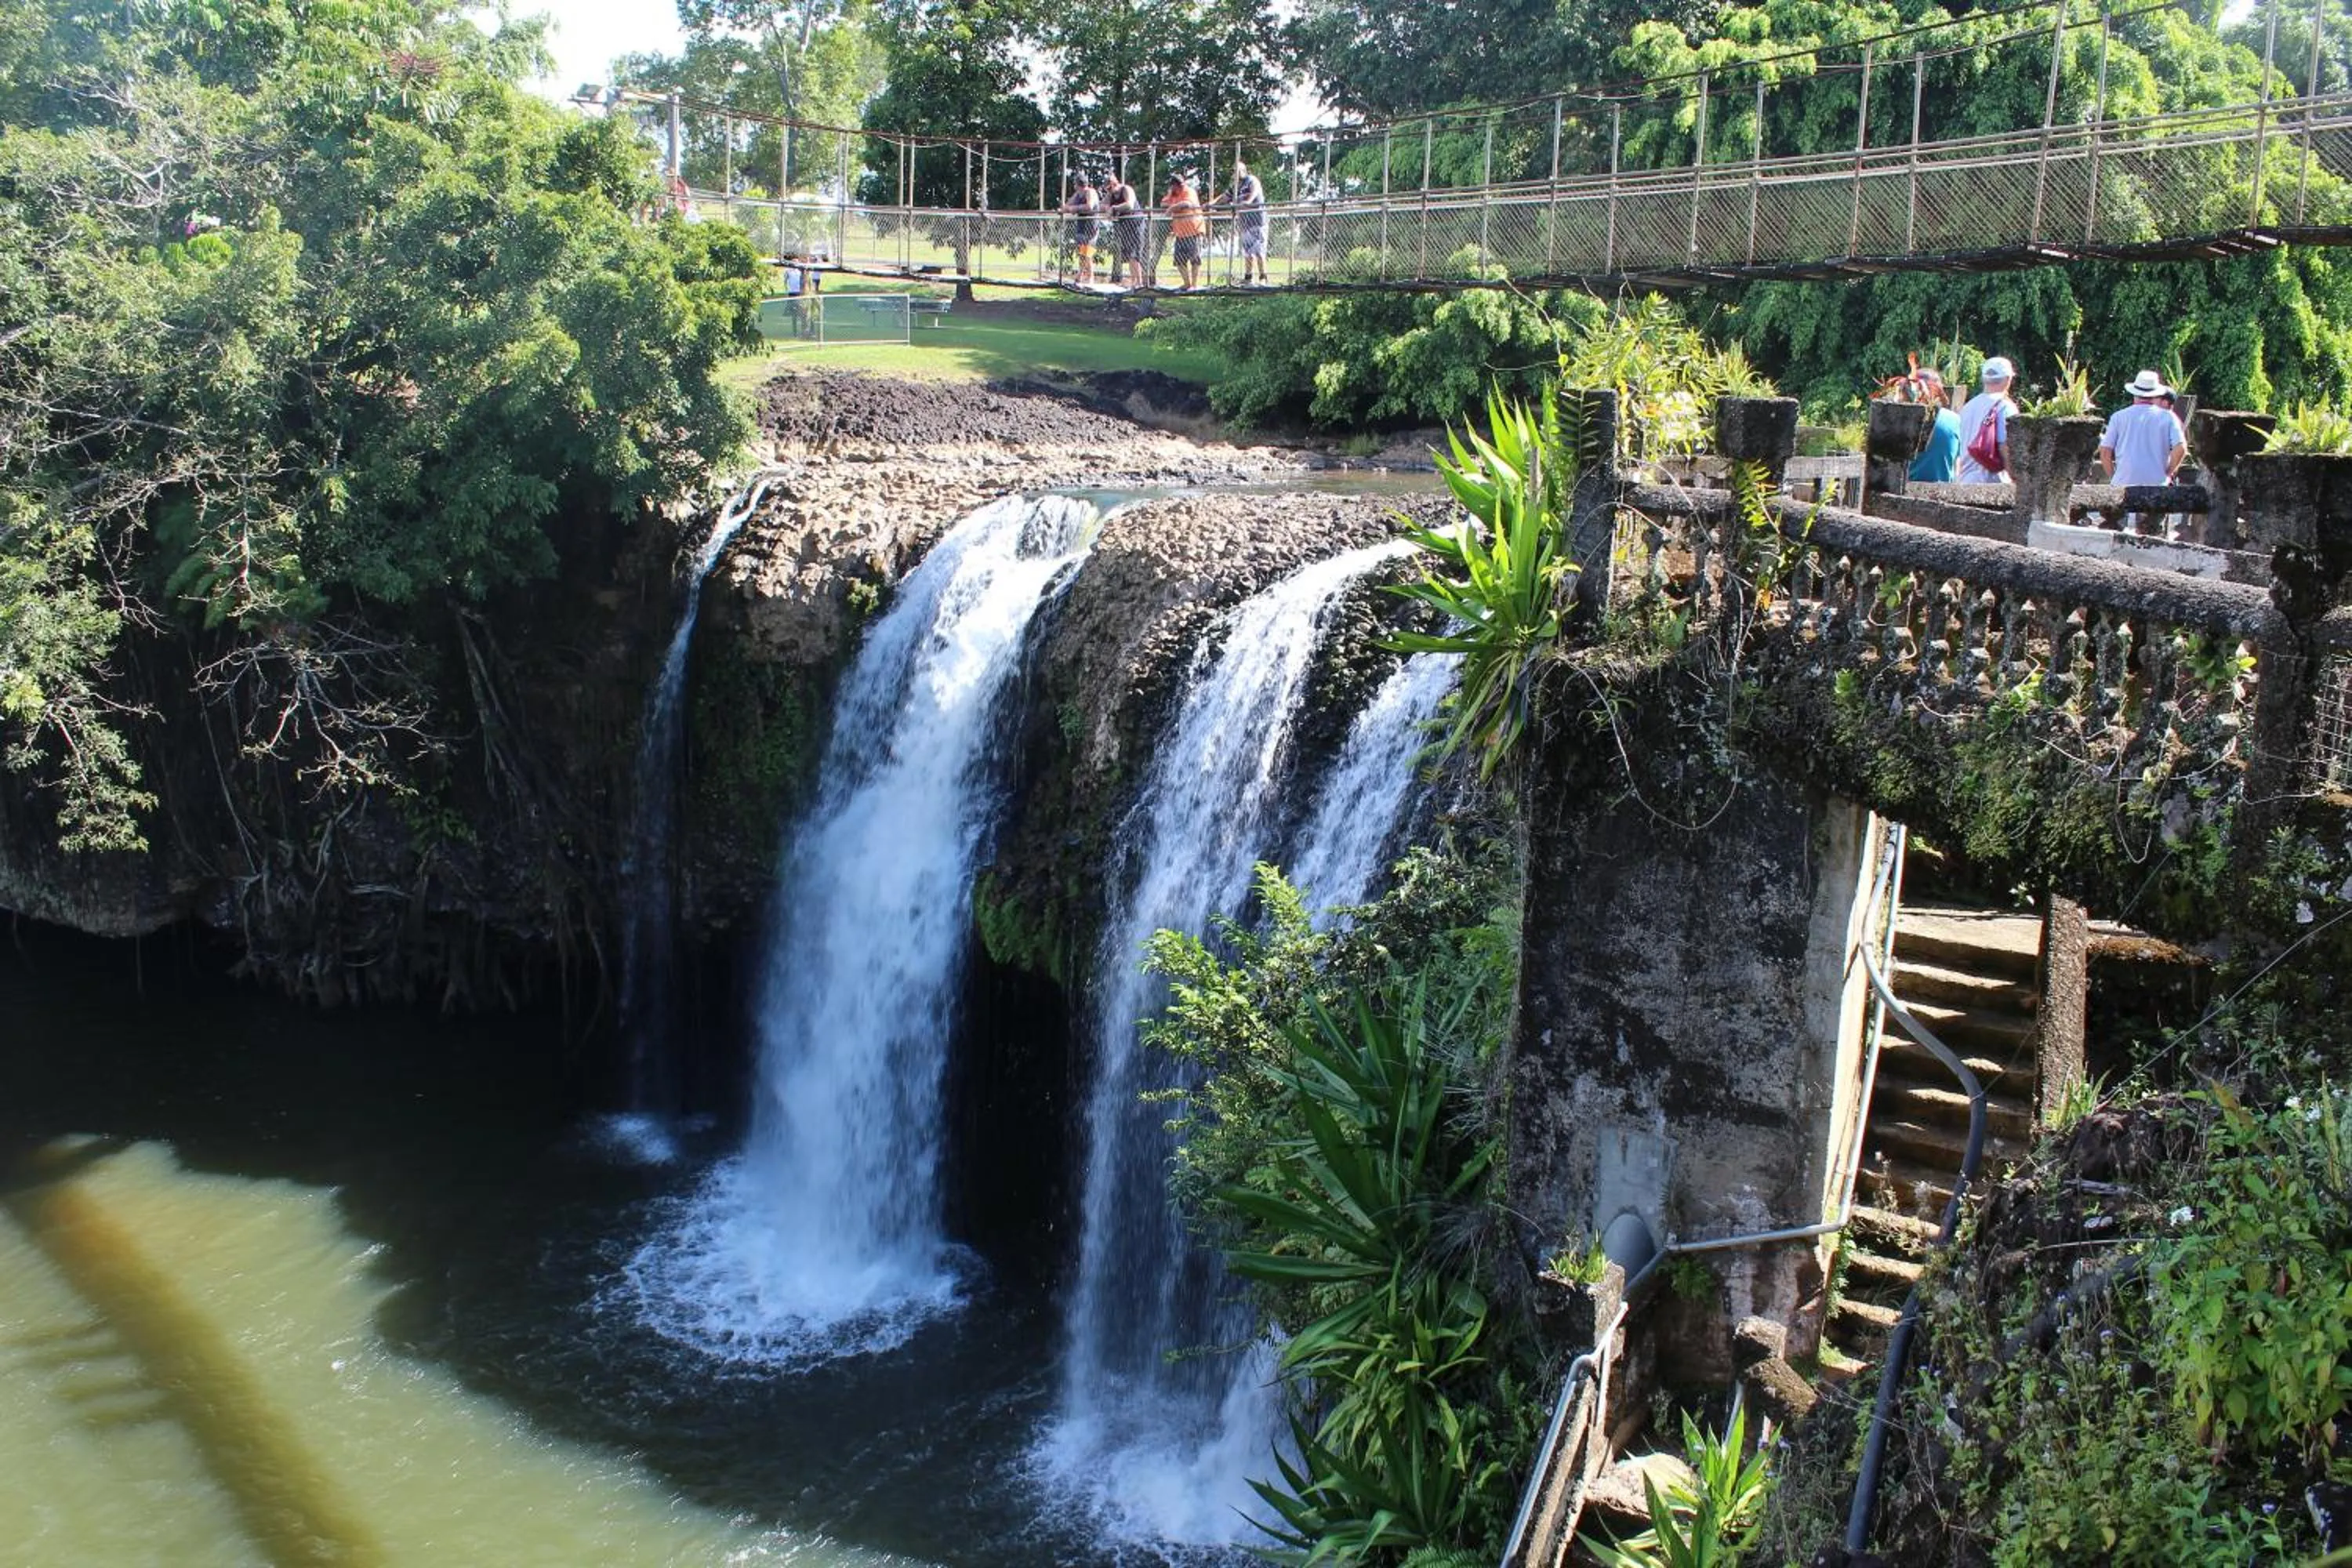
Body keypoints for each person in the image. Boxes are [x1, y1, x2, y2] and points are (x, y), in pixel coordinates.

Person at [1955, 356, 2016, 483]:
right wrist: (2016, 480)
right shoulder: (2005, 406)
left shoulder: (1967, 407)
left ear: (1984, 379)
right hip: (1992, 481)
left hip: (1965, 480)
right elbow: (2005, 446)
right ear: (2008, 379)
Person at [1215, 160, 1269, 285]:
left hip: (1258, 221)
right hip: (1245, 223)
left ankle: (1263, 278)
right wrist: (1212, 204)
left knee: (1259, 251)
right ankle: (1248, 277)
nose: (1236, 173)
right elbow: (1224, 197)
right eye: (1234, 171)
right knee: (1248, 252)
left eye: (1238, 171)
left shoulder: (1251, 180)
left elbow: (1255, 191)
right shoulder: (1236, 186)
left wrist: (1249, 201)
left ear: (1243, 170)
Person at [1907, 368, 1963, 484]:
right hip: (1943, 492)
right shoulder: (1954, 420)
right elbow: (1957, 465)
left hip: (1905, 489)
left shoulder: (1903, 418)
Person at [1163, 173, 1207, 290]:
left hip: (1194, 231)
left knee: (1195, 259)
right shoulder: (1173, 194)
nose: (1179, 188)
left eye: (1181, 185)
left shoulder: (1189, 191)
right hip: (1180, 233)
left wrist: (1173, 208)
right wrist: (1172, 201)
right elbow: (1163, 203)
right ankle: (1187, 283)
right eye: (1175, 186)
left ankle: (1194, 285)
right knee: (1179, 261)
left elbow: (1187, 204)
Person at [1104, 172, 1146, 288]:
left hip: (1136, 224)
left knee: (1135, 255)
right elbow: (1104, 206)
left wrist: (1114, 208)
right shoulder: (1110, 195)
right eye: (1107, 189)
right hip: (1124, 226)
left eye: (1110, 187)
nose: (1109, 191)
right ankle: (1134, 282)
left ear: (1114, 183)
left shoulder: (1126, 189)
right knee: (1129, 255)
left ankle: (1139, 283)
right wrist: (1108, 209)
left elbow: (1130, 205)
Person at [1062, 176, 1102, 286]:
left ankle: (1089, 277)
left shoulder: (1090, 192)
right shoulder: (1078, 194)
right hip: (1081, 226)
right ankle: (1080, 276)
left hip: (1091, 226)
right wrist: (1064, 209)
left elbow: (1089, 206)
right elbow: (1067, 206)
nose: (1074, 186)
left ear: (1078, 184)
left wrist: (1075, 208)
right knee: (1082, 253)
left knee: (1088, 253)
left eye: (1075, 184)